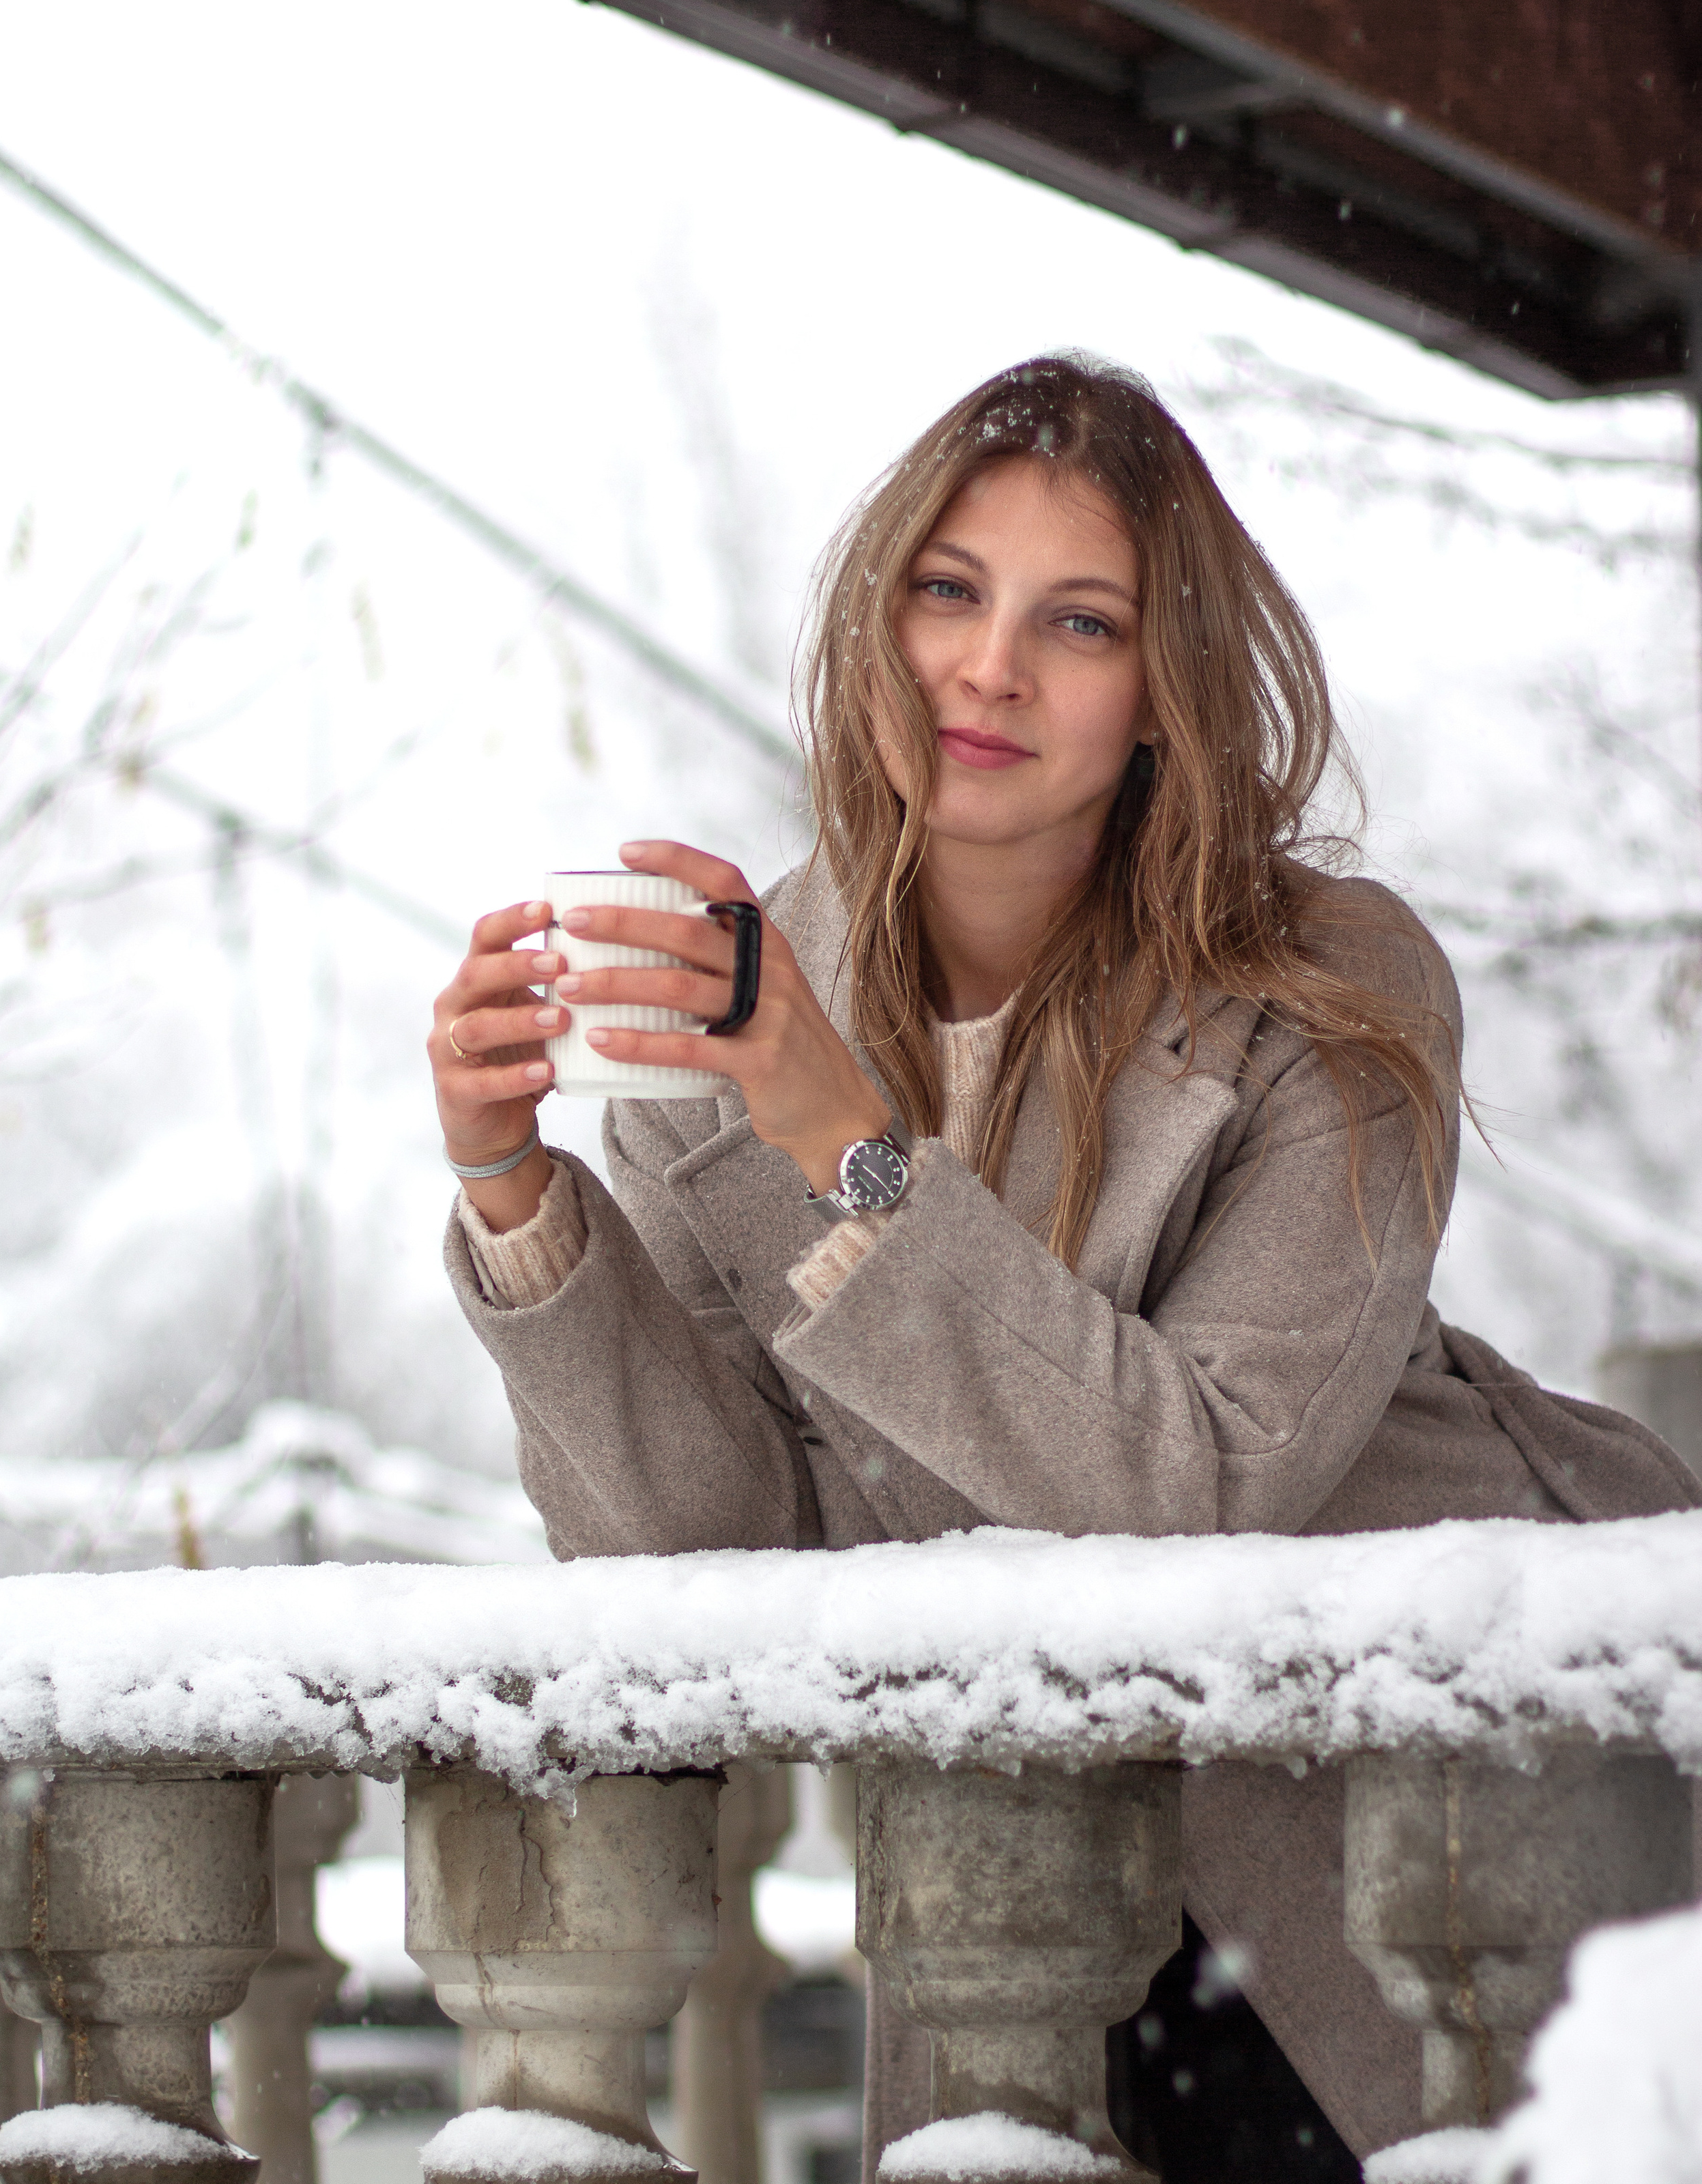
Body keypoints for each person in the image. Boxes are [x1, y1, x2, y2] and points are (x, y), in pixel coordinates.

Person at [427, 356, 1697, 2180]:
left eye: (1077, 621)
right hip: (1025, 1902)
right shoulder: (745, 1013)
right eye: (949, 590)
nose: (990, 666)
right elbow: (712, 1555)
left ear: (1163, 691)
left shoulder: (1326, 988)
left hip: (1417, 1842)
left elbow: (1197, 1486)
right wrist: (516, 1200)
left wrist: (850, 1145)